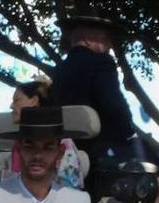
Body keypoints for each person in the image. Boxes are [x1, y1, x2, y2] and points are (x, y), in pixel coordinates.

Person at [49, 11, 142, 188]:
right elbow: (113, 105)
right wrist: (128, 132)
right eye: (106, 39)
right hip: (100, 154)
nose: (109, 45)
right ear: (89, 40)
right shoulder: (102, 63)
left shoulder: (60, 69)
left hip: (67, 153)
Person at [5, 80, 83, 189]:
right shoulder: (18, 142)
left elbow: (70, 189)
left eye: (16, 100)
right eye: (29, 146)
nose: (11, 106)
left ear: (34, 101)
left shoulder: (62, 142)